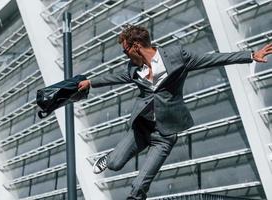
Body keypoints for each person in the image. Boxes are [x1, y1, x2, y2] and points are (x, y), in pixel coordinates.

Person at [78, 24, 272, 200]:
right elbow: (115, 77)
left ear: (136, 46)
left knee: (138, 187)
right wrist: (91, 82)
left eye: (125, 50)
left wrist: (250, 55)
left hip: (165, 135)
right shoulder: (132, 69)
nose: (125, 55)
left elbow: (211, 59)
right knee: (114, 164)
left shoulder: (176, 56)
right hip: (142, 128)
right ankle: (109, 157)